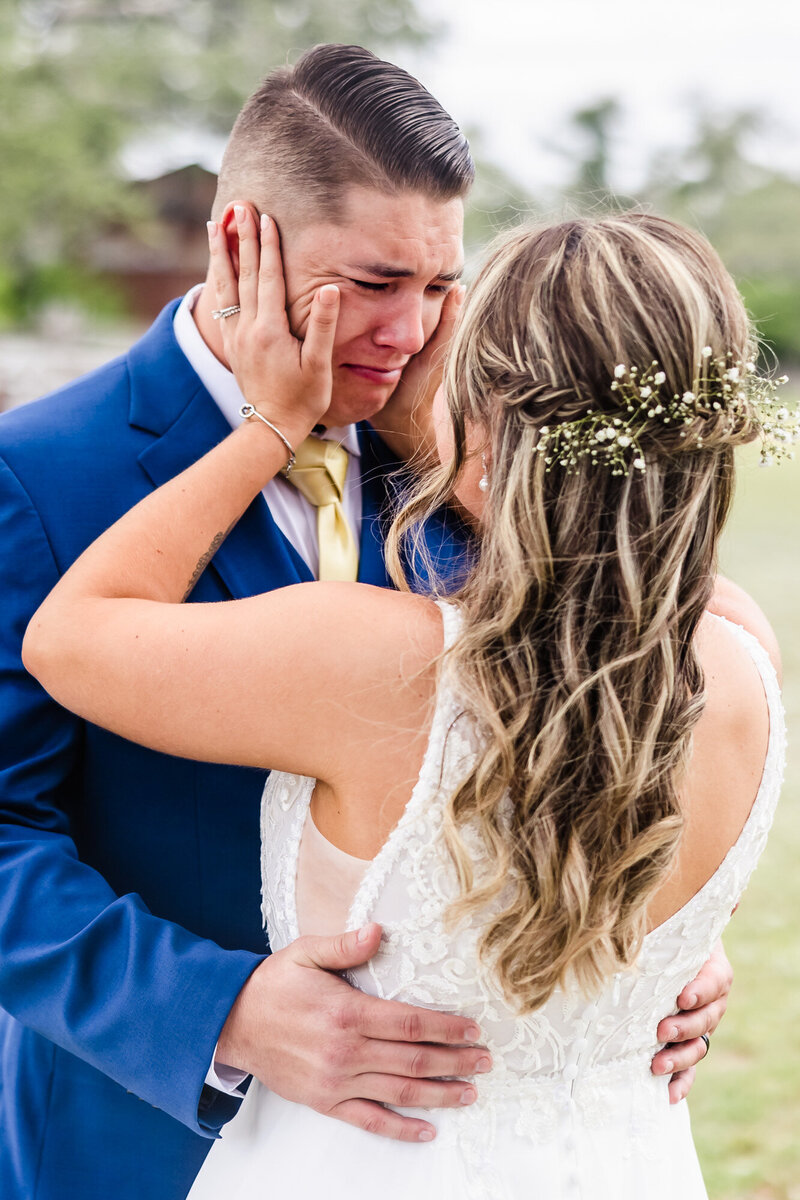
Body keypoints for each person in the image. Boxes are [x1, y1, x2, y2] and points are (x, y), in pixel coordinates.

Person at [0, 43, 732, 1200]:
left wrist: (648, 950)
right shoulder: (38, 474)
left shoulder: (487, 475)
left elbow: (581, 720)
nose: (411, 332)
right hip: (138, 1135)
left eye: (441, 288)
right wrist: (220, 1010)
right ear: (241, 240)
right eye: (376, 284)